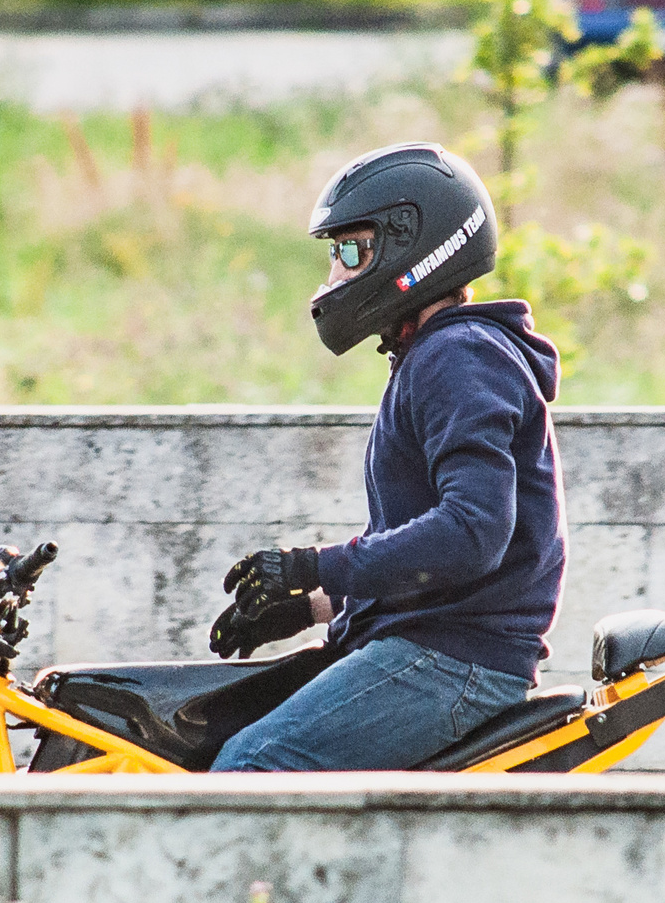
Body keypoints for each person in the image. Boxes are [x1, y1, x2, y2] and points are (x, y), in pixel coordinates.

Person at [209, 141, 566, 771]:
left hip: (456, 660)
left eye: (350, 252)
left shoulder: (459, 358)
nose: (336, 277)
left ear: (411, 247)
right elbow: (424, 558)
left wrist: (310, 568)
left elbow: (472, 532)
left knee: (250, 769)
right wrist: (313, 607)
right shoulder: (441, 356)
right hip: (435, 644)